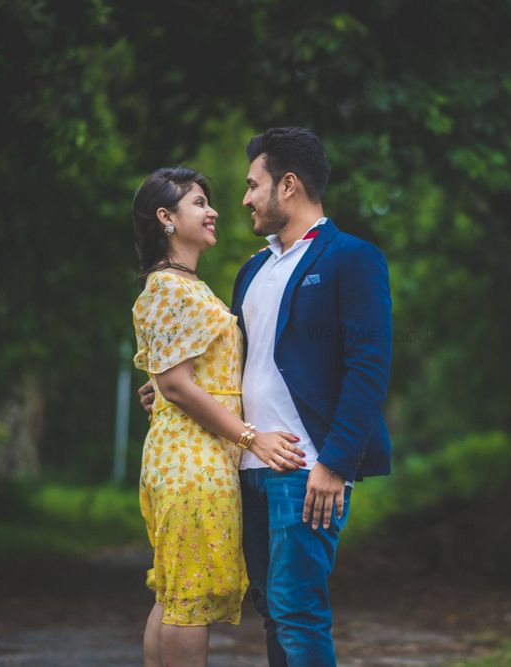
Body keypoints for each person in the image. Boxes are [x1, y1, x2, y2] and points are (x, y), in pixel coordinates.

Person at [139, 128, 393, 667]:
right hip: (244, 467)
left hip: (307, 468)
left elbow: (368, 366)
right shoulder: (251, 270)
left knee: (298, 612)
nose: (245, 198)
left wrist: (336, 463)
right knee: (272, 612)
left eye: (254, 185)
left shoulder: (353, 258)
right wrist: (163, 385)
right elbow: (233, 360)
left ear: (289, 186)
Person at [130, 166, 307, 667]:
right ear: (166, 218)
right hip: (191, 460)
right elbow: (177, 385)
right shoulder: (170, 287)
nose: (213, 212)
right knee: (188, 601)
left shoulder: (186, 286)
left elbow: (174, 380)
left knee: (174, 594)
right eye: (199, 203)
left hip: (192, 453)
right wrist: (254, 438)